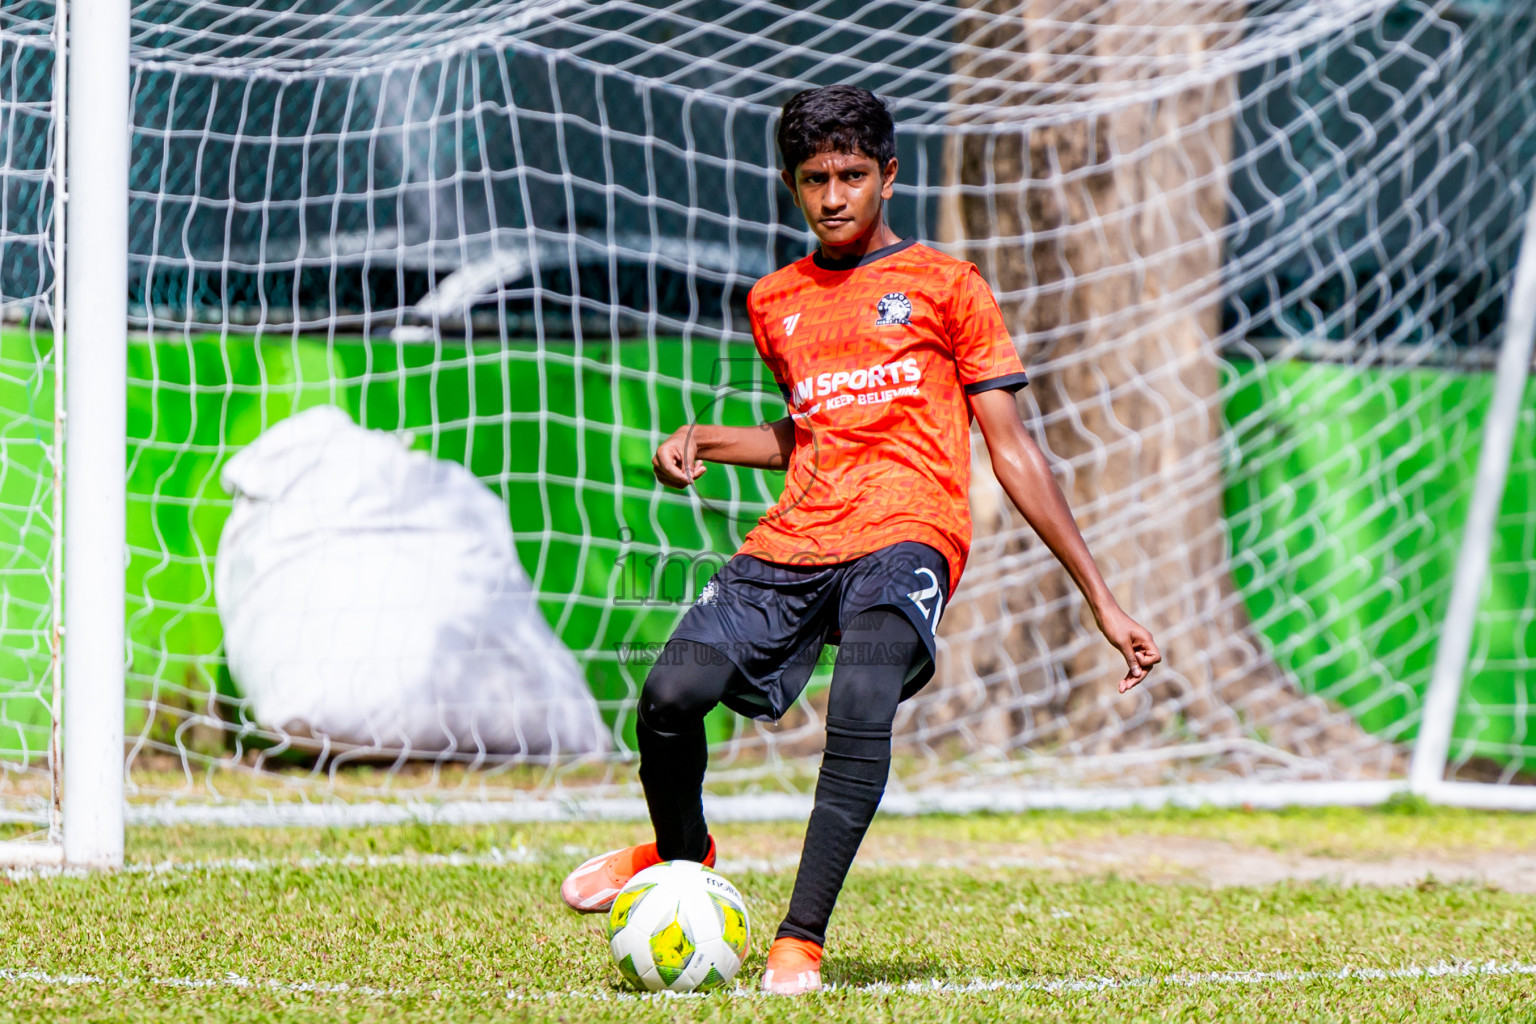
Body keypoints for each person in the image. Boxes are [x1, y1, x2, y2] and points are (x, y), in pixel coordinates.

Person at [561, 84, 1161, 995]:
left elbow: (1013, 449)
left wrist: (1102, 600)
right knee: (670, 694)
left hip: (909, 536)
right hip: (796, 537)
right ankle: (684, 861)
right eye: (813, 178)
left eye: (850, 174)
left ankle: (799, 940)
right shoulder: (776, 300)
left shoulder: (948, 286)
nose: (833, 195)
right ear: (791, 185)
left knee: (862, 701)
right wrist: (703, 442)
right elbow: (808, 432)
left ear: (888, 175)